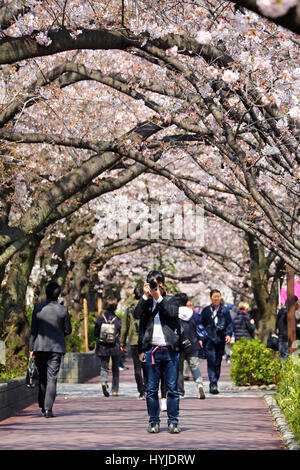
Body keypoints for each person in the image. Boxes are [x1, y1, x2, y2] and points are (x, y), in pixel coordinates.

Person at [133, 269, 181, 434]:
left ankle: (173, 422)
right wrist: (146, 296)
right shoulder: (146, 302)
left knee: (172, 389)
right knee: (151, 389)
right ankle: (154, 422)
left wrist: (158, 297)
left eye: (156, 284)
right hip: (151, 349)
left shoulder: (170, 300)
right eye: (151, 284)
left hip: (170, 350)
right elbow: (136, 315)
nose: (154, 287)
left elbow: (172, 313)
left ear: (162, 284)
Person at [29, 281, 72, 418]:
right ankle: (48, 409)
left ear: (46, 293)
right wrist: (60, 334)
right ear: (58, 295)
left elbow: (33, 331)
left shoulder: (38, 308)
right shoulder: (63, 310)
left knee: (42, 377)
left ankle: (42, 404)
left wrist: (31, 349)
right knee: (52, 378)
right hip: (56, 347)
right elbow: (68, 330)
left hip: (40, 346)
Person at [198, 289, 233, 395]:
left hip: (221, 339)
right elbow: (200, 325)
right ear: (211, 298)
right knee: (211, 361)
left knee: (218, 362)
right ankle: (213, 384)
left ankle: (215, 381)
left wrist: (228, 334)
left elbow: (230, 324)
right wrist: (200, 338)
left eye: (218, 296)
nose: (216, 298)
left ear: (221, 297)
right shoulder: (205, 311)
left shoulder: (225, 310)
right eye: (214, 296)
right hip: (209, 339)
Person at [175, 293, 205, 399]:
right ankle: (200, 385)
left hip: (179, 345)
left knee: (179, 369)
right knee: (195, 367)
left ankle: (180, 391)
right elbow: (200, 327)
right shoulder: (193, 313)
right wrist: (200, 339)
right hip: (193, 343)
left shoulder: (174, 314)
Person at [120, 286, 146, 399]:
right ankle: (148, 389)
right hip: (146, 340)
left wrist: (122, 343)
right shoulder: (147, 306)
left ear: (134, 295)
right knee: (147, 367)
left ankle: (141, 391)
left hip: (134, 341)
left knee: (137, 367)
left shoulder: (129, 309)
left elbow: (124, 327)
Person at [94, 298, 122, 397]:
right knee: (115, 368)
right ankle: (115, 390)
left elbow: (96, 333)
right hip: (115, 346)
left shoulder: (100, 319)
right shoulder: (118, 320)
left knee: (104, 367)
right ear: (115, 308)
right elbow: (120, 333)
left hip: (103, 346)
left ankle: (103, 381)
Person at [276, 296, 299, 365]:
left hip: (281, 337)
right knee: (287, 359)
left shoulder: (281, 311)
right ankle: (285, 374)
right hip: (287, 337)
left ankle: (283, 374)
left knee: (282, 358)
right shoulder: (289, 313)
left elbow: (277, 325)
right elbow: (292, 326)